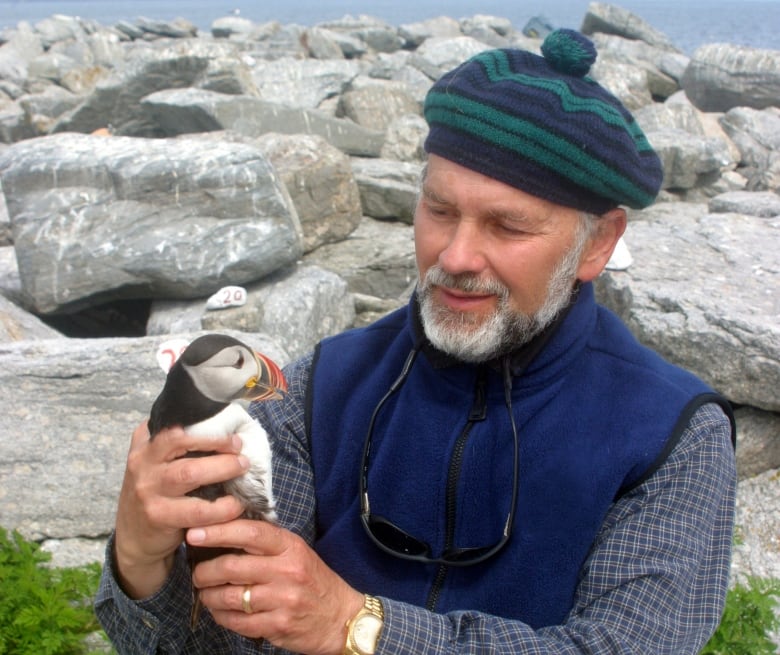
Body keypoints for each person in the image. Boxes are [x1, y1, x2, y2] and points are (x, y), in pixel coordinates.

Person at [96, 29, 737, 655]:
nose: (455, 255)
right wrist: (140, 562)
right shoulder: (324, 387)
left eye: (507, 226)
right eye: (438, 209)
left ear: (597, 243)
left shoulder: (671, 436)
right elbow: (231, 639)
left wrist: (357, 626)